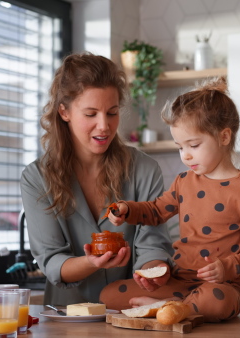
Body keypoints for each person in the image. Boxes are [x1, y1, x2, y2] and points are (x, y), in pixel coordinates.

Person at [99, 77, 240, 322]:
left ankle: (172, 308)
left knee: (215, 300)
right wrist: (128, 209)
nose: (186, 155)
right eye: (180, 147)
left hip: (222, 286)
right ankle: (173, 307)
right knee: (109, 295)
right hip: (179, 281)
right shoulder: (184, 181)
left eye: (193, 145)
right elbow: (156, 211)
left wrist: (228, 266)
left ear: (224, 137)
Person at [20, 52, 174, 306]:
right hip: (66, 321)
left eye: (112, 112)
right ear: (64, 112)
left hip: (129, 314)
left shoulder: (144, 170)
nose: (104, 126)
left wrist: (155, 271)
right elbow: (52, 262)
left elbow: (153, 246)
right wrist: (91, 262)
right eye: (91, 114)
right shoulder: (37, 178)